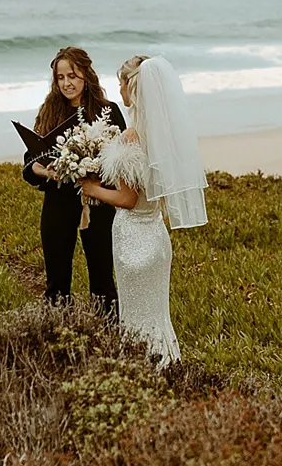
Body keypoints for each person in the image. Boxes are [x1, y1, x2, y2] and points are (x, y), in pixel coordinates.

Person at [81, 55, 208, 364]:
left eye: (121, 83)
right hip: (156, 235)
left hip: (133, 238)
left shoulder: (132, 136)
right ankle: (167, 367)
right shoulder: (161, 138)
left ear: (131, 88)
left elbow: (126, 199)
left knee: (136, 317)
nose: (119, 90)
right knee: (157, 315)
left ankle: (142, 374)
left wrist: (91, 188)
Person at [23, 47, 127, 315]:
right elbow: (31, 159)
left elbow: (123, 159)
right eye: (60, 78)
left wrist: (94, 171)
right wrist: (40, 170)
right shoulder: (49, 111)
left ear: (86, 76)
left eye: (73, 76)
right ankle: (59, 336)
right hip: (57, 203)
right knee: (56, 281)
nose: (66, 83)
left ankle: (110, 339)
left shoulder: (108, 110)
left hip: (98, 204)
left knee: (102, 278)